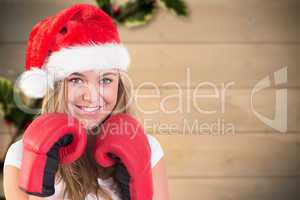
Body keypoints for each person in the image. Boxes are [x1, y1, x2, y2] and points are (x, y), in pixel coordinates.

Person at [3, 3, 169, 200]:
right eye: (76, 80)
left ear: (120, 85)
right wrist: (37, 179)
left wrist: (139, 189)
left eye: (106, 80)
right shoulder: (21, 156)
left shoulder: (149, 150)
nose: (90, 96)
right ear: (57, 86)